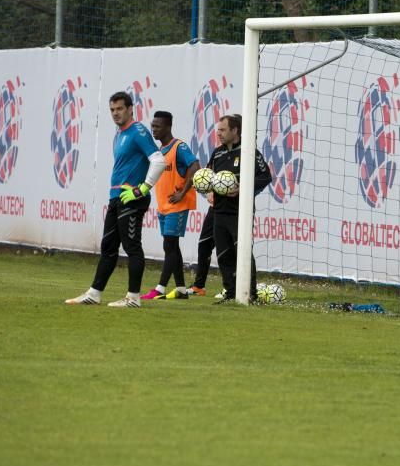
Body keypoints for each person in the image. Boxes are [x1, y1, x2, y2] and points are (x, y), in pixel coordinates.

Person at [65, 91, 166, 308]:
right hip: (117, 197)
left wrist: (142, 189)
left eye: (120, 108)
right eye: (112, 109)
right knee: (108, 247)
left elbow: (159, 161)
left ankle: (133, 298)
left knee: (132, 246)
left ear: (131, 109)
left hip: (131, 198)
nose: (115, 113)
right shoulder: (119, 134)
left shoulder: (138, 131)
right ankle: (94, 294)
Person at [209, 114, 272, 303]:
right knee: (223, 254)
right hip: (219, 211)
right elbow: (207, 176)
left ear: (235, 131)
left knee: (242, 252)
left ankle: (250, 294)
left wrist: (242, 187)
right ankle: (229, 292)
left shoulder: (249, 152)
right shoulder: (217, 153)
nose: (218, 133)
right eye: (218, 129)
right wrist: (208, 192)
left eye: (223, 130)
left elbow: (265, 176)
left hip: (240, 213)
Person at [140, 111, 200, 300]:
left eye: (157, 126)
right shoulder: (160, 151)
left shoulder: (179, 147)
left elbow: (195, 167)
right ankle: (181, 289)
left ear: (168, 127)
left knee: (169, 244)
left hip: (178, 205)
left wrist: (183, 192)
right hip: (164, 206)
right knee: (172, 246)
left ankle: (160, 288)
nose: (154, 130)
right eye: (153, 126)